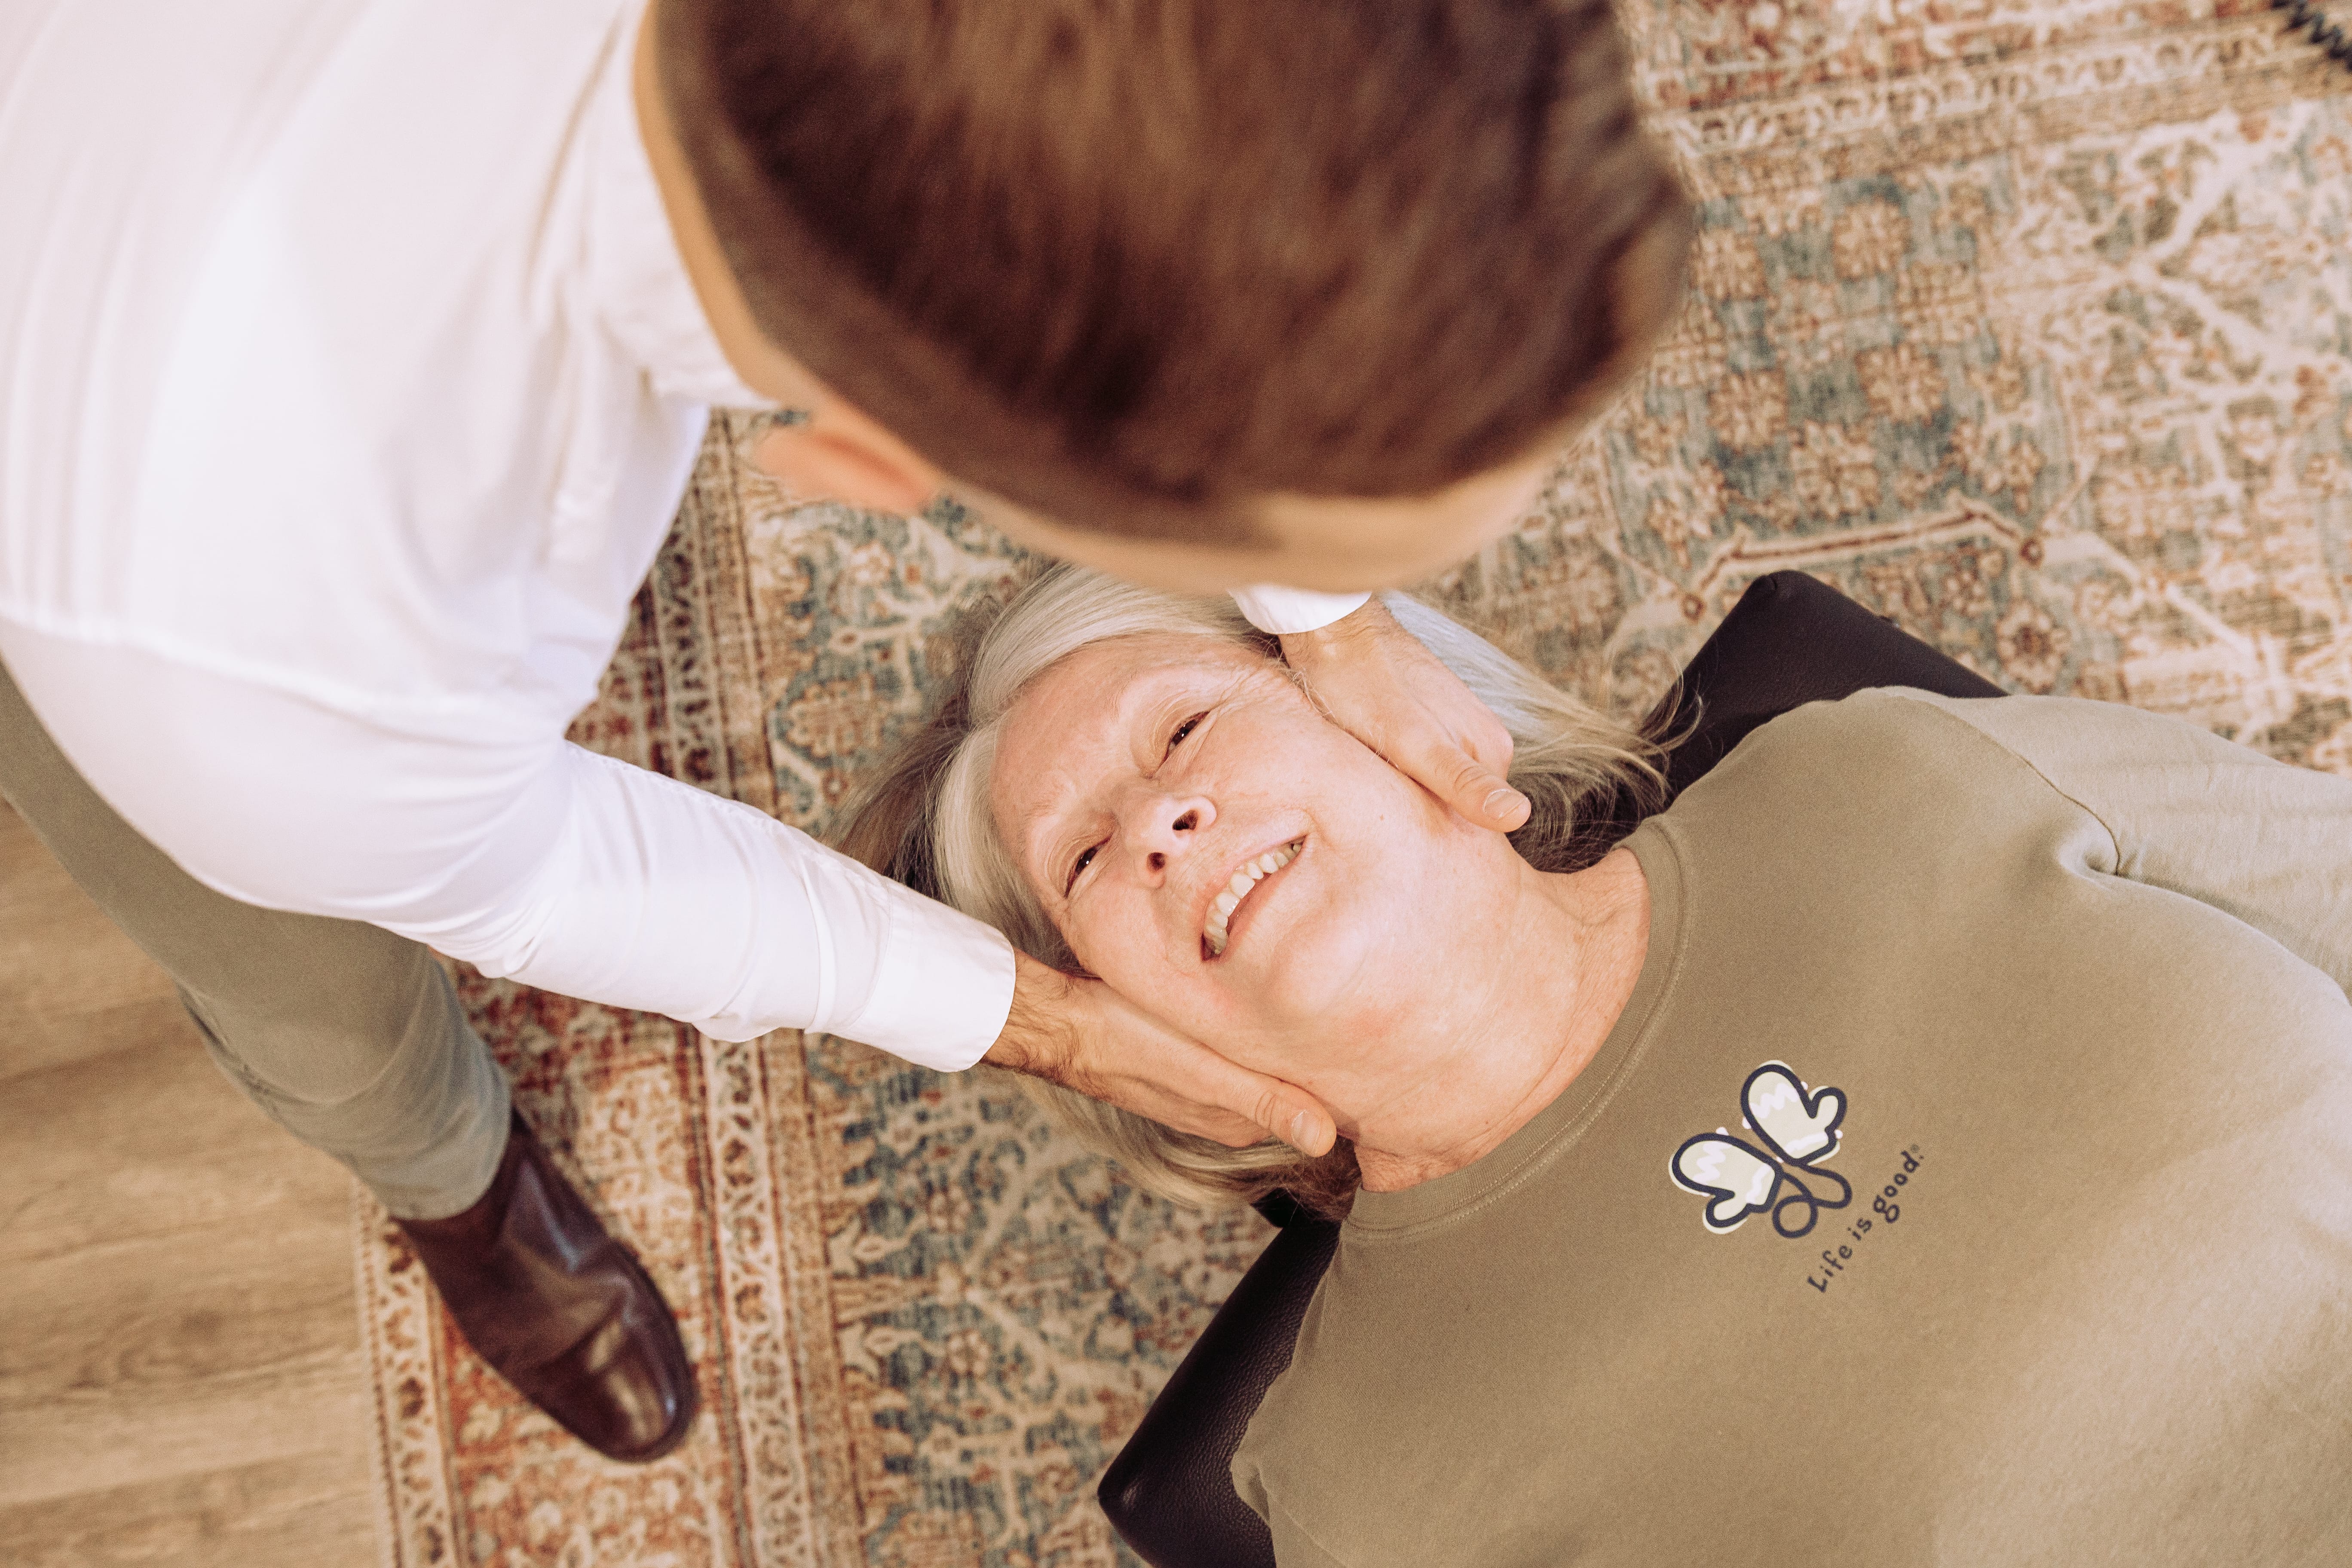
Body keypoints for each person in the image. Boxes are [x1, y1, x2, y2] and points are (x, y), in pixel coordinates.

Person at [0, 0, 1690, 1461]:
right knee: (318, 985)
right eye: (1301, 572)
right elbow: (528, 877)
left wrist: (1337, 611)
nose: (1168, 824)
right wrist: (1053, 1025)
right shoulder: (274, 677)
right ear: (866, 471)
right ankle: (444, 1168)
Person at [842, 563, 2352, 1565]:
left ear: (1401, 705)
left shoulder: (1883, 771)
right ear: (1126, 1032)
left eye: (1182, 727)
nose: (1162, 825)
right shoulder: (1360, 1488)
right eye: (1091, 856)